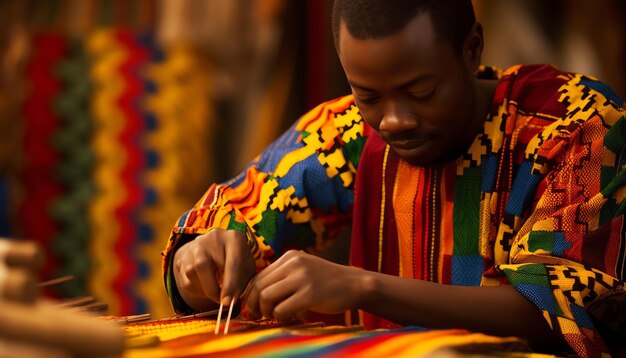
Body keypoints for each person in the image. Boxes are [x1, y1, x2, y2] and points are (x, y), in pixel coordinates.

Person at [162, 1, 626, 356]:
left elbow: (566, 311)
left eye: (421, 92)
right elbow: (237, 210)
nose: (393, 121)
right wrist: (196, 262)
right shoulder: (350, 133)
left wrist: (364, 287)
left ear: (472, 49)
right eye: (367, 95)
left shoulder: (577, 127)